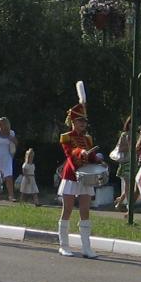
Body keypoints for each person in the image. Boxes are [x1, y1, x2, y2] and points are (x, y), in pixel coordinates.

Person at [57, 88, 103, 259]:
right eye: (80, 121)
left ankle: (86, 247)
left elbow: (90, 155)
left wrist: (97, 159)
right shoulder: (66, 136)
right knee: (67, 209)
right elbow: (69, 154)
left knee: (85, 210)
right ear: (73, 122)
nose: (83, 124)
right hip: (71, 176)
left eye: (84, 122)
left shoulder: (88, 139)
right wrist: (79, 152)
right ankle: (64, 245)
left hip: (85, 178)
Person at [0, 117, 18, 202]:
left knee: (9, 175)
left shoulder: (11, 133)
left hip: (7, 156)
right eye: (0, 124)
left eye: (3, 124)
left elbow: (16, 143)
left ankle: (11, 196)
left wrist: (11, 138)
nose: (1, 125)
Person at [110, 116, 133, 209]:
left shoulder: (138, 134)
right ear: (128, 124)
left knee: (131, 185)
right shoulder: (124, 135)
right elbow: (120, 149)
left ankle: (119, 201)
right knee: (128, 184)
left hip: (135, 162)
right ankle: (128, 204)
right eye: (131, 122)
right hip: (126, 162)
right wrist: (130, 145)